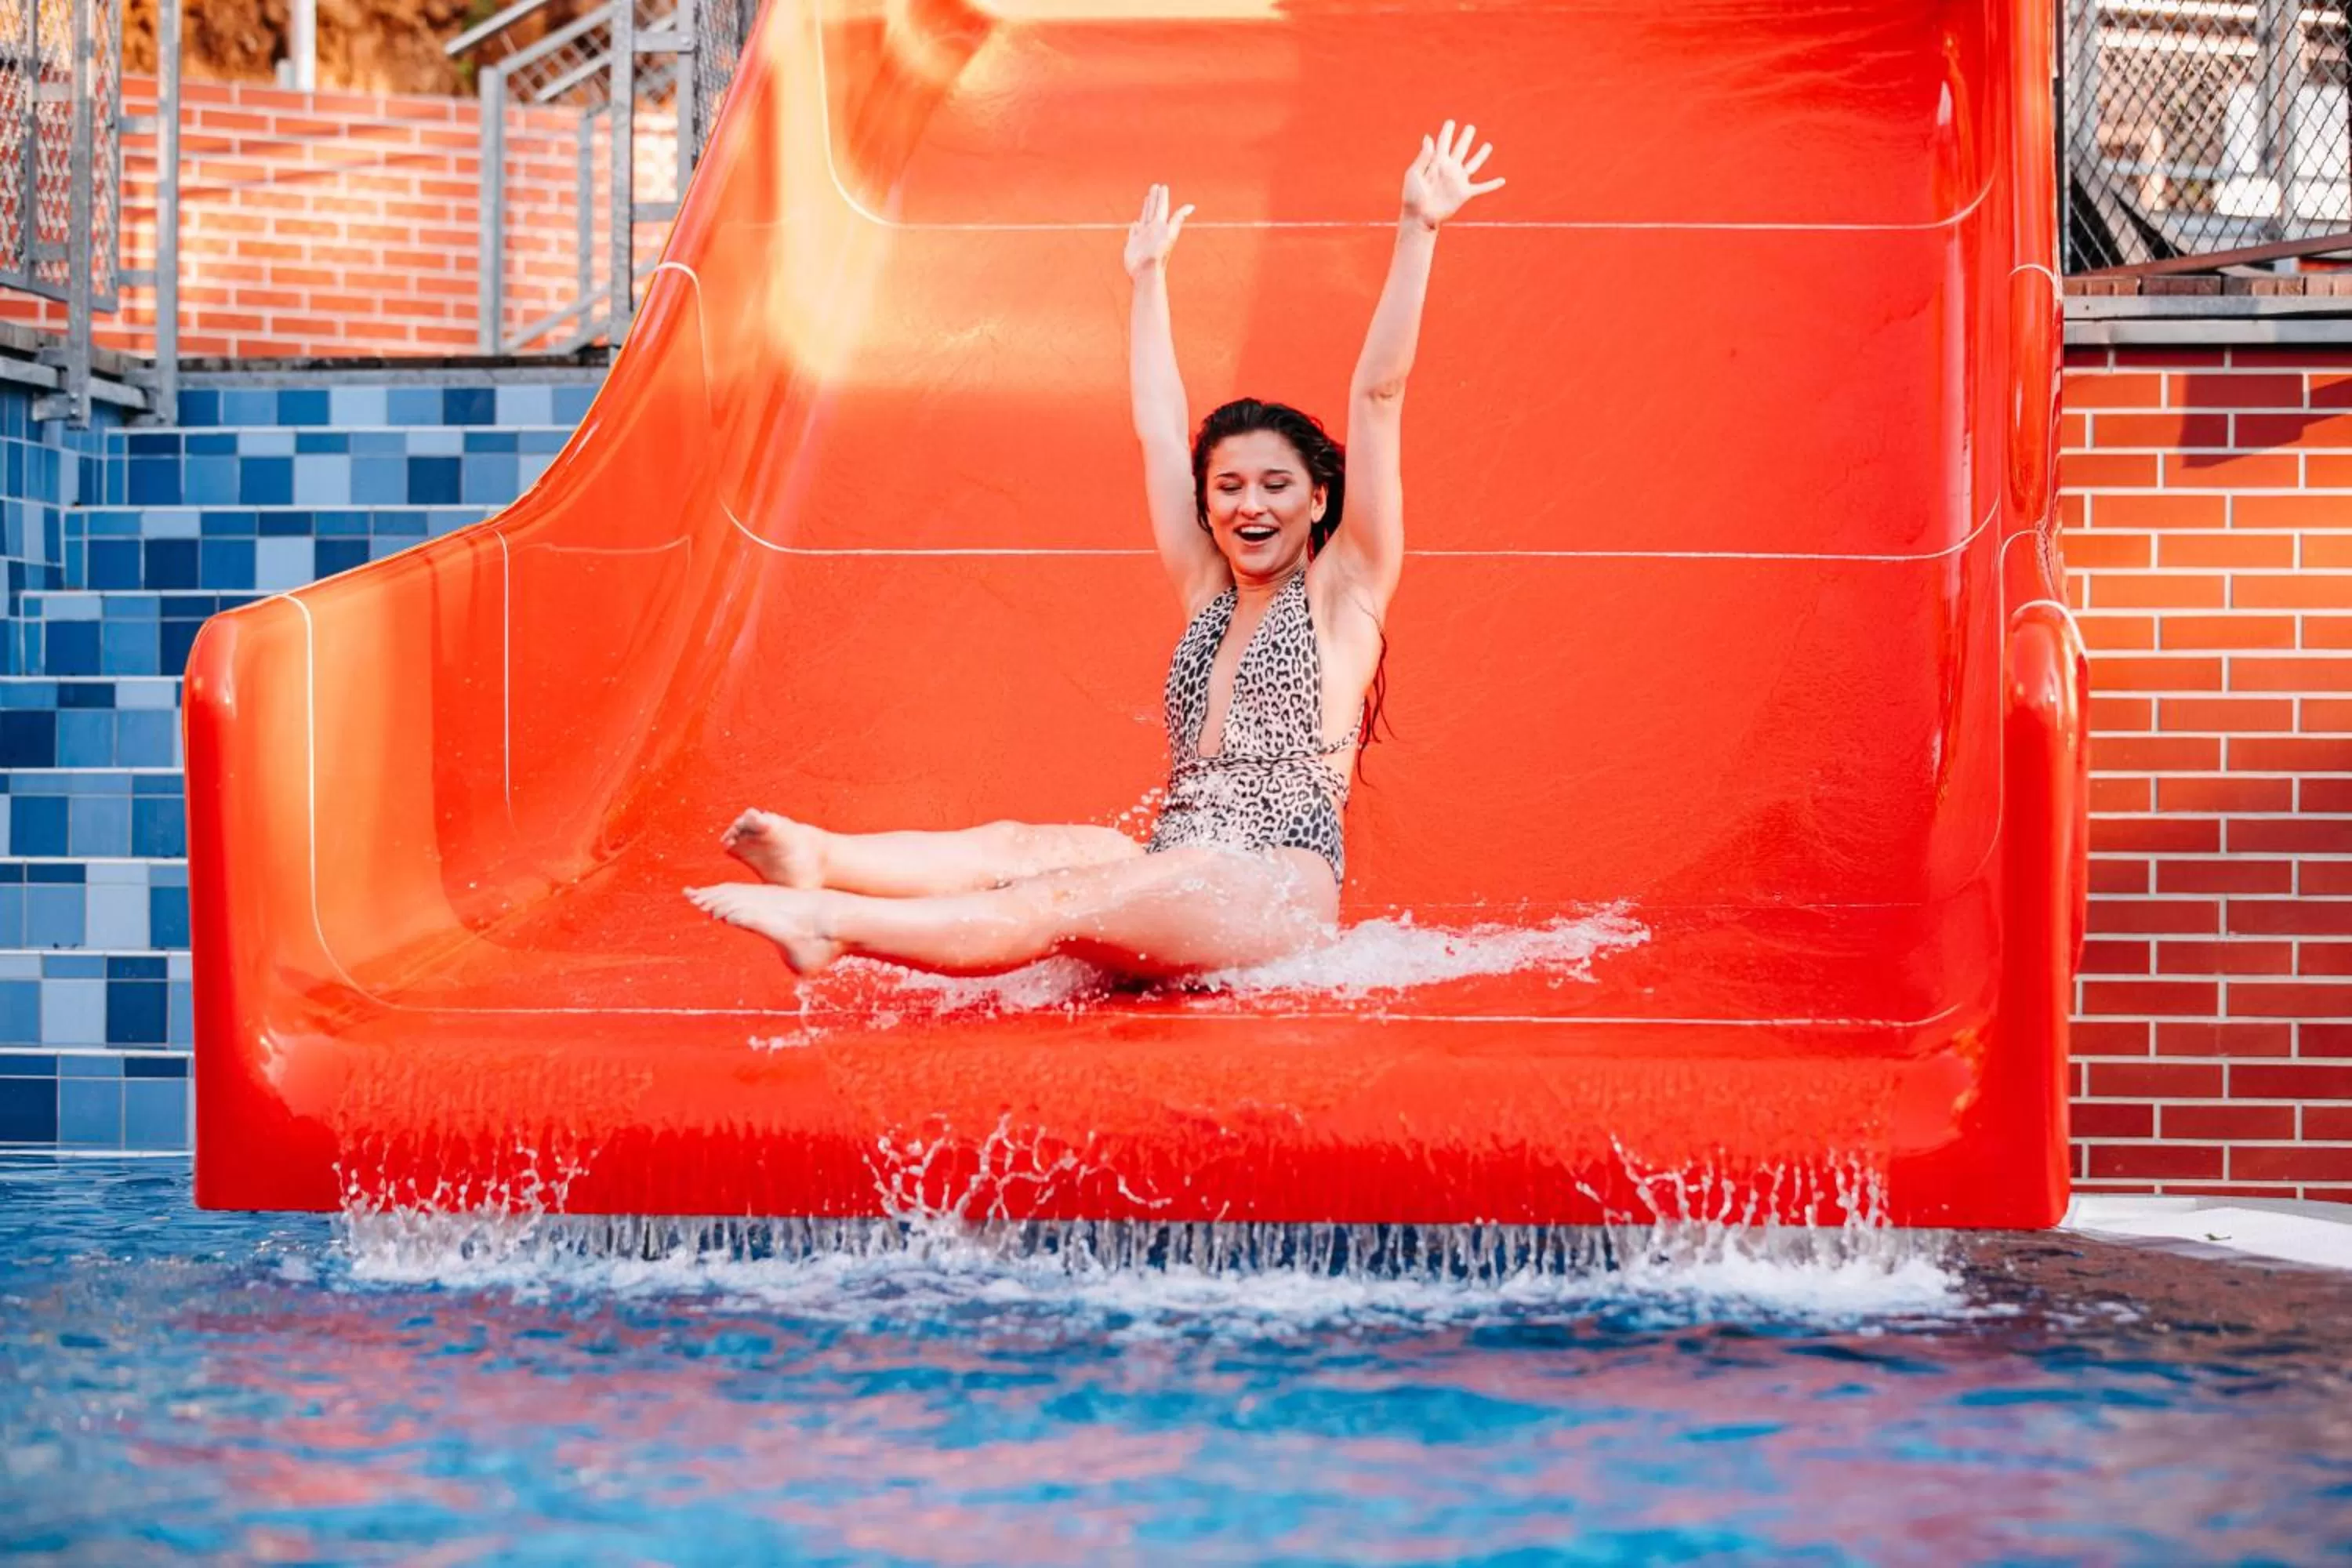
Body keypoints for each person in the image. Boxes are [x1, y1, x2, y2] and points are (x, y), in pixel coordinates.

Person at [685, 122, 1504, 978]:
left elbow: (1377, 396)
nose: (1250, 504)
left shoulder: (1347, 595)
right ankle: (824, 859)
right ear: (1209, 506)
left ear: (1319, 498)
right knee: (1022, 844)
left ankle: (835, 924)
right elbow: (1158, 431)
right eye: (1228, 488)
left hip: (1268, 889)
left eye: (1275, 485)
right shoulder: (1207, 590)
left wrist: (1420, 228)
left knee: (1059, 901)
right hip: (1180, 863)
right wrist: (1147, 280)